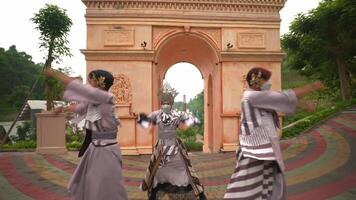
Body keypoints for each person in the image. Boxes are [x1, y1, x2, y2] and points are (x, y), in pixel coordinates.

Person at [224, 67, 324, 200]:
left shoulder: (257, 97)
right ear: (256, 81)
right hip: (256, 151)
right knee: (246, 187)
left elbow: (278, 100)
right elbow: (282, 97)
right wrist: (311, 87)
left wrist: (303, 105)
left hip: (264, 149)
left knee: (270, 183)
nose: (268, 84)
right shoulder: (252, 96)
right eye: (266, 80)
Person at [44, 68, 128, 200]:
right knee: (90, 181)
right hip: (95, 148)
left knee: (106, 184)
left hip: (106, 150)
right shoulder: (94, 100)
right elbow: (80, 108)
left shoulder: (106, 97)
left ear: (100, 82)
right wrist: (63, 108)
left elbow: (81, 89)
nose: (89, 83)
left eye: (92, 80)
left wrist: (56, 74)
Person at [137, 86, 207, 200]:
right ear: (172, 102)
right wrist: (191, 121)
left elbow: (144, 123)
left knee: (157, 170)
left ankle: (153, 194)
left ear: (162, 102)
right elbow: (187, 125)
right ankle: (199, 193)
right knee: (185, 169)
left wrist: (141, 119)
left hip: (162, 146)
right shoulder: (177, 113)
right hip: (173, 144)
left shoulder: (157, 113)